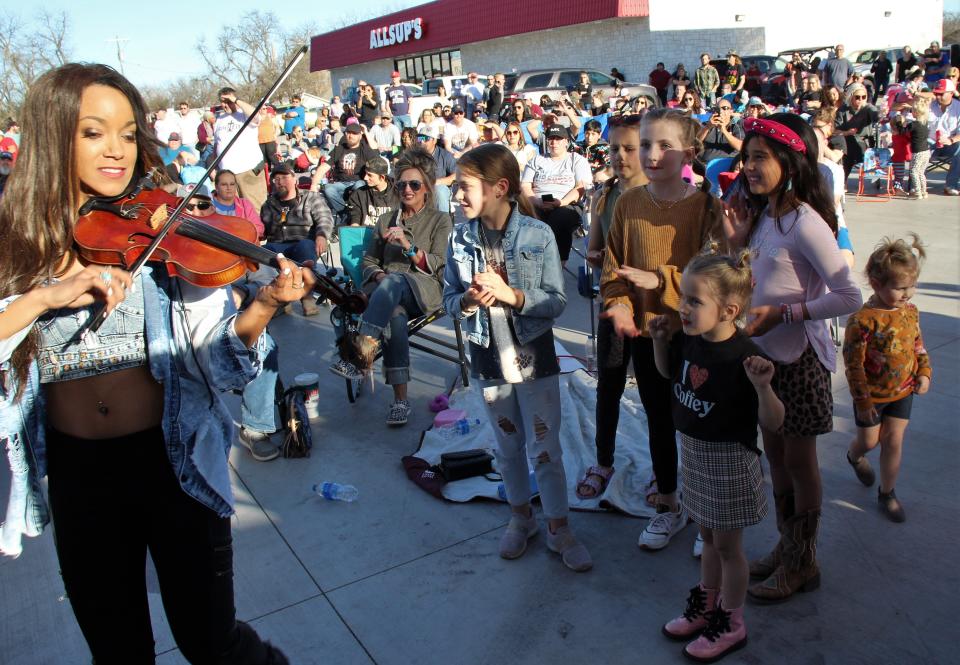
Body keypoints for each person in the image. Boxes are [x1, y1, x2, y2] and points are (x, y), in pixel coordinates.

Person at [0, 62, 307, 664]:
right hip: (79, 474)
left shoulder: (165, 235)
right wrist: (40, 297)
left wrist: (266, 303)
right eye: (93, 133)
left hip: (173, 463)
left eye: (127, 133)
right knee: (118, 652)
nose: (116, 151)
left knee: (210, 642)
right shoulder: (18, 243)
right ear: (51, 136)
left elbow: (217, 363)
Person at [721, 113, 862, 602]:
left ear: (791, 159)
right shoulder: (764, 216)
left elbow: (850, 296)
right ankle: (788, 547)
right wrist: (737, 244)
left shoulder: (805, 221)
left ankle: (804, 562)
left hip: (800, 362)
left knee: (800, 463)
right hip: (764, 362)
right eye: (747, 157)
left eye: (760, 157)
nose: (750, 166)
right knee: (776, 458)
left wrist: (786, 313)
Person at [443, 142, 592, 572]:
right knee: (507, 446)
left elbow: (557, 300)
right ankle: (521, 517)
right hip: (488, 360)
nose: (457, 196)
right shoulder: (459, 237)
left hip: (534, 359)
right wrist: (468, 302)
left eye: (465, 187)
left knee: (544, 447)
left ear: (499, 188)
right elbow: (450, 299)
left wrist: (513, 295)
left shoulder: (537, 234)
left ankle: (559, 526)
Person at [598, 108, 722, 551]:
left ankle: (708, 515)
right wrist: (618, 304)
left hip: (700, 337)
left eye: (665, 145)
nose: (652, 154)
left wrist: (664, 281)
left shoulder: (707, 207)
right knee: (658, 419)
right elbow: (612, 266)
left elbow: (722, 272)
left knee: (702, 425)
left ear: (689, 151)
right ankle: (669, 502)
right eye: (646, 143)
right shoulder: (628, 203)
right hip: (649, 337)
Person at [654, 252, 783, 662]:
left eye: (694, 300)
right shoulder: (690, 339)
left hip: (728, 460)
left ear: (729, 310)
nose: (683, 308)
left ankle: (732, 621)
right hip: (693, 452)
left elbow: (774, 422)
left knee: (728, 548)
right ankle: (707, 605)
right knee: (707, 537)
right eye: (684, 298)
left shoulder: (744, 356)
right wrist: (659, 341)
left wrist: (764, 387)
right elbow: (666, 374)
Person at [334, 149, 453, 426]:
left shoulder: (440, 220)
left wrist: (409, 248)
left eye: (414, 184)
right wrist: (376, 276)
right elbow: (369, 260)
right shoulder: (386, 220)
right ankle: (400, 401)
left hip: (425, 289)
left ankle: (359, 353)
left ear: (427, 189)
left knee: (396, 281)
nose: (407, 190)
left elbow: (439, 265)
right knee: (395, 316)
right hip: (388, 293)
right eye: (401, 184)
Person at [576, 114, 649, 501]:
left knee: (657, 395)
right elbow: (593, 249)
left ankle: (662, 471)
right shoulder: (604, 194)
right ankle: (603, 460)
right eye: (614, 148)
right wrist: (596, 255)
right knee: (609, 385)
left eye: (629, 148)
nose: (619, 156)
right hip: (613, 305)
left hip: (655, 312)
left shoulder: (661, 195)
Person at [843, 234, 930, 525]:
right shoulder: (863, 320)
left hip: (903, 392)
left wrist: (924, 372)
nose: (908, 294)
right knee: (869, 442)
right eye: (901, 288)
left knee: (893, 441)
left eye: (912, 286)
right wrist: (863, 400)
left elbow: (917, 343)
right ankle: (855, 456)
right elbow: (853, 365)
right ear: (877, 284)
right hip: (871, 397)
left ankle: (888, 493)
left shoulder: (910, 311)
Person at [260, 164, 333, 315]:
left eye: (284, 177)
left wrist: (322, 235)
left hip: (303, 241)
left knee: (305, 246)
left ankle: (306, 294)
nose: (280, 181)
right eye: (276, 178)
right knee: (265, 251)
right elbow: (262, 229)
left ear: (294, 179)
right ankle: (280, 298)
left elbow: (325, 218)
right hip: (277, 244)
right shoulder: (268, 204)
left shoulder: (310, 197)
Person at [520, 125, 592, 264]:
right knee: (518, 217)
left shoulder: (576, 160)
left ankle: (556, 265)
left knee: (560, 218)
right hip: (537, 203)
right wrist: (536, 201)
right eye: (551, 139)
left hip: (567, 203)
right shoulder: (537, 160)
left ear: (566, 141)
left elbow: (581, 187)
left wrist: (560, 202)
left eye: (558, 139)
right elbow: (525, 185)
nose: (554, 143)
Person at [213, 86, 268, 212]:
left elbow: (256, 116)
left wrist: (235, 100)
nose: (225, 105)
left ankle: (260, 232)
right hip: (227, 174)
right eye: (222, 102)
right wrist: (214, 168)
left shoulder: (244, 115)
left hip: (248, 171)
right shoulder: (219, 120)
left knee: (255, 208)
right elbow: (217, 144)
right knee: (235, 210)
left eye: (228, 101)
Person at [313, 122, 379, 219]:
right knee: (328, 189)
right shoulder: (339, 149)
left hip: (359, 181)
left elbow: (376, 155)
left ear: (360, 136)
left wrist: (366, 132)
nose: (351, 135)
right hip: (342, 183)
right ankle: (345, 213)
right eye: (348, 133)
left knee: (359, 186)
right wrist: (313, 185)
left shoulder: (364, 148)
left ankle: (358, 213)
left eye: (354, 133)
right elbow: (324, 167)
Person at [837, 84, 880, 180]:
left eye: (863, 97)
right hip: (845, 139)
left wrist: (881, 114)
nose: (861, 100)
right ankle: (844, 179)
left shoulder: (868, 108)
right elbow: (836, 130)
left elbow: (876, 115)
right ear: (851, 97)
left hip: (864, 141)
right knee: (849, 143)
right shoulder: (843, 110)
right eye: (857, 97)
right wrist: (847, 132)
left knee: (851, 147)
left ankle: (845, 179)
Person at [345, 156, 400, 226]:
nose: (365, 178)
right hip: (365, 234)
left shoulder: (398, 193)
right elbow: (355, 215)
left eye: (370, 175)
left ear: (382, 177)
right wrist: (355, 224)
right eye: (365, 173)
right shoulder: (359, 194)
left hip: (391, 234)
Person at [927, 78, 960, 195]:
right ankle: (915, 184)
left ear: (951, 93)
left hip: (950, 142)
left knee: (959, 148)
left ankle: (951, 185)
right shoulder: (929, 105)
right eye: (936, 93)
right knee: (919, 145)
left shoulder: (958, 108)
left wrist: (951, 140)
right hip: (930, 141)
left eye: (941, 94)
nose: (937, 97)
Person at [414, 125, 457, 212]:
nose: (422, 141)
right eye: (420, 138)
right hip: (418, 188)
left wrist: (434, 182)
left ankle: (442, 223)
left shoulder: (445, 155)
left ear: (434, 140)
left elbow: (456, 176)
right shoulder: (413, 156)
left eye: (426, 138)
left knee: (439, 190)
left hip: (438, 189)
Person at [212, 169, 264, 238]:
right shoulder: (207, 206)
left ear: (236, 186)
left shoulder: (245, 204)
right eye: (224, 184)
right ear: (216, 187)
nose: (229, 188)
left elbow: (259, 229)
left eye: (232, 184)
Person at [698, 99, 744, 164]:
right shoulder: (706, 125)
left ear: (731, 111)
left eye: (725, 108)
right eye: (718, 109)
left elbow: (741, 147)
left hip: (726, 166)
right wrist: (708, 127)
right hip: (704, 165)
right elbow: (695, 143)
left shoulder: (735, 127)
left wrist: (724, 130)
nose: (721, 111)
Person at [906, 97, 932, 198]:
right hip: (926, 151)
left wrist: (899, 123)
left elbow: (903, 131)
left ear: (915, 112)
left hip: (918, 152)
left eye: (912, 110)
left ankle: (917, 191)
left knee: (913, 171)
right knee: (921, 172)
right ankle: (924, 191)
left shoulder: (913, 125)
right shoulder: (925, 124)